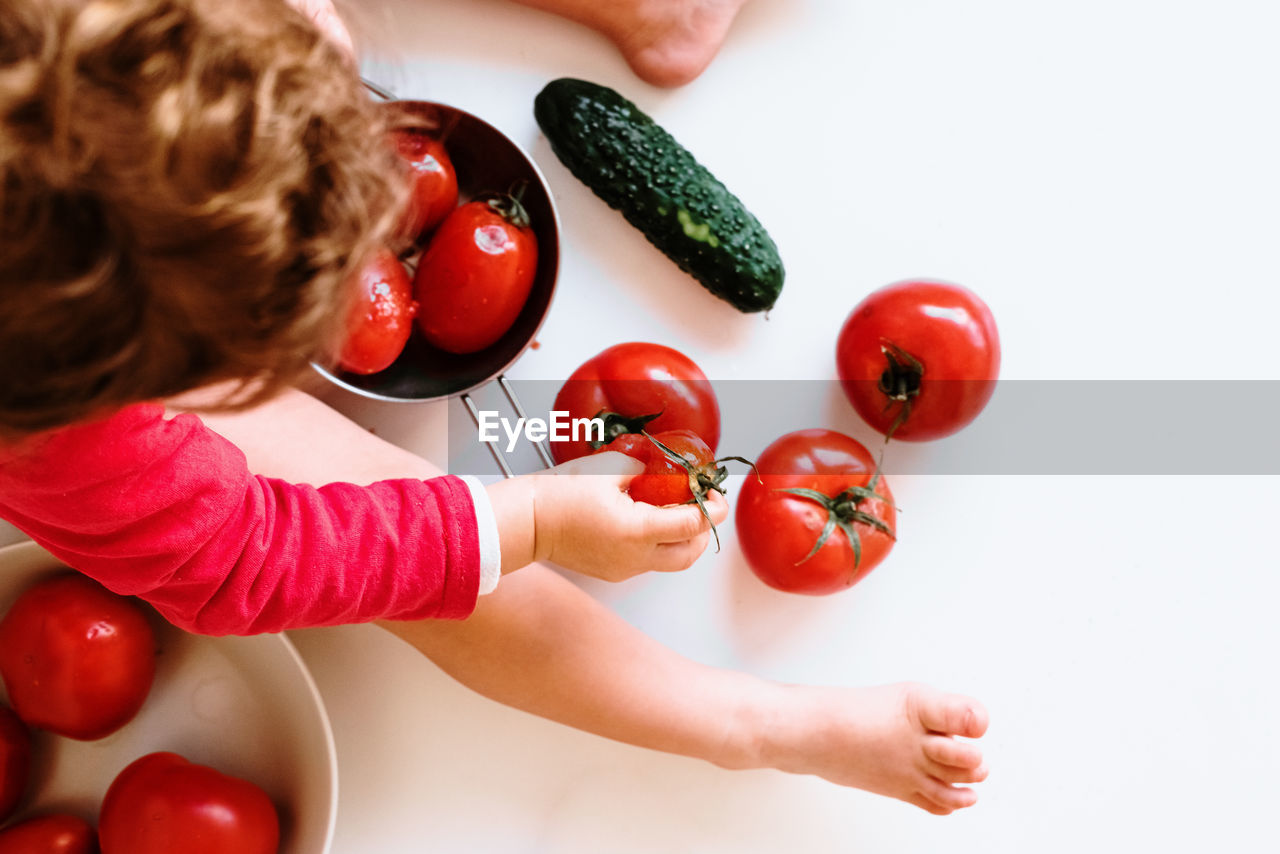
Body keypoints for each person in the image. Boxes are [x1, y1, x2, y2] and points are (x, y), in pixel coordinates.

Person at [0, 0, 989, 817]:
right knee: (402, 539)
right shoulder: (73, 450)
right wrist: (529, 520)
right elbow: (264, 558)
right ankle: (753, 724)